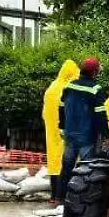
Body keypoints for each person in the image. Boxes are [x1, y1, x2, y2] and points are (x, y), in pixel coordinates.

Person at [58, 58, 109, 203]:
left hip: (70, 135)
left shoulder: (69, 86)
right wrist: (105, 135)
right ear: (94, 73)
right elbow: (100, 114)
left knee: (67, 166)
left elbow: (61, 107)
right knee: (87, 168)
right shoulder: (95, 89)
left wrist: (62, 127)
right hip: (86, 136)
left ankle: (61, 197)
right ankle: (84, 198)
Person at [42, 59, 79, 204]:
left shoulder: (51, 88)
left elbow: (45, 112)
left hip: (52, 130)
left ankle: (54, 196)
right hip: (66, 130)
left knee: (53, 160)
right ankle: (63, 196)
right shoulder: (69, 88)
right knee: (67, 161)